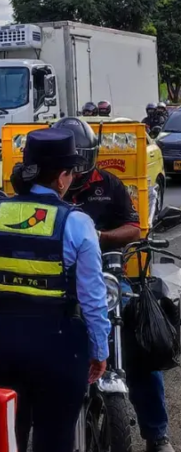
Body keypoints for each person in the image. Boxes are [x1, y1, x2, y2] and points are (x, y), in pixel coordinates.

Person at [0, 128, 110, 452]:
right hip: (60, 345)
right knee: (54, 439)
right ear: (63, 177)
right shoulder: (77, 224)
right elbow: (93, 298)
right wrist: (100, 350)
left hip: (1, 342)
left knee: (4, 438)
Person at [55, 117, 174, 452]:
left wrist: (101, 238)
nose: (74, 169)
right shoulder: (47, 190)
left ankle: (157, 434)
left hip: (107, 278)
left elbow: (134, 228)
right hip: (56, 279)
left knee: (142, 348)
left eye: (80, 160)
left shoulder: (108, 184)